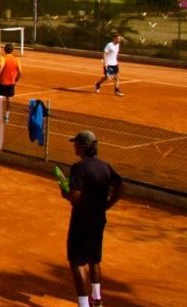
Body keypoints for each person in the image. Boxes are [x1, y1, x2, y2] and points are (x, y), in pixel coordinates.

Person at [61, 129, 123, 307]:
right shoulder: (105, 166)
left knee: (76, 262)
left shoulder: (78, 168)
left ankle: (83, 304)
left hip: (81, 221)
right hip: (98, 219)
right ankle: (97, 299)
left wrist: (65, 193)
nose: (74, 146)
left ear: (82, 147)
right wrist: (108, 204)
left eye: (75, 143)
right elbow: (121, 186)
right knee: (94, 259)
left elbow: (75, 197)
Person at [0, 43, 22, 123]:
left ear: (4, 50)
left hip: (0, 83)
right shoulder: (17, 60)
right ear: (12, 51)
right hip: (11, 84)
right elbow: (20, 72)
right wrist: (16, 79)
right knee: (9, 100)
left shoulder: (2, 58)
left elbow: (0, 69)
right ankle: (7, 116)